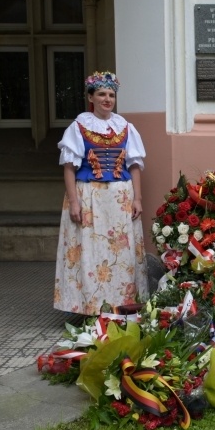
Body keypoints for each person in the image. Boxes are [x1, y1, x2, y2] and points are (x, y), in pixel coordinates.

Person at [54, 71, 148, 315]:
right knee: (91, 249)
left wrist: (137, 198)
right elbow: (69, 167)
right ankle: (92, 306)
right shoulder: (78, 127)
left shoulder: (125, 127)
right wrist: (74, 201)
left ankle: (123, 304)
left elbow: (134, 166)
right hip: (89, 196)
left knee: (121, 252)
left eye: (111, 95)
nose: (107, 99)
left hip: (120, 197)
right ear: (91, 98)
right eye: (102, 94)